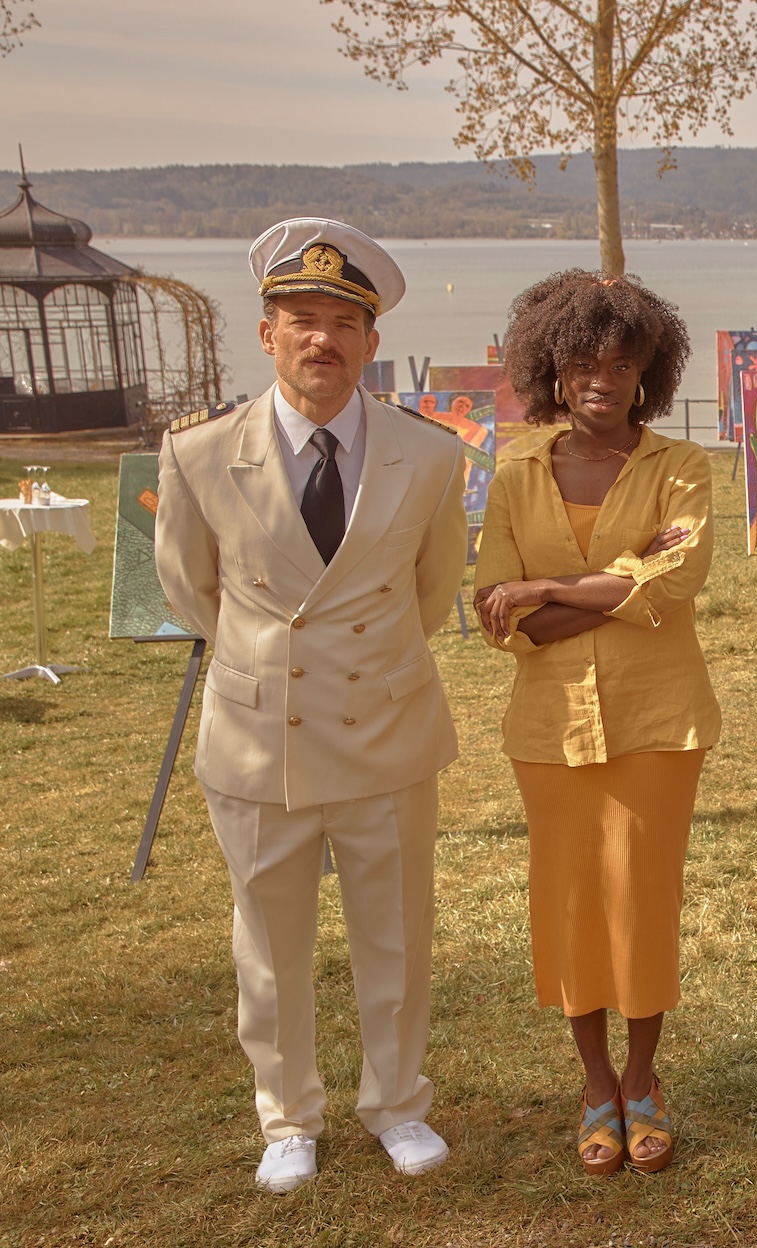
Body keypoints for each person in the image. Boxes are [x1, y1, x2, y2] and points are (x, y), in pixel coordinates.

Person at [156, 219, 468, 1192]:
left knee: (397, 935)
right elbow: (190, 589)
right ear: (267, 334)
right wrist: (269, 658)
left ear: (371, 341)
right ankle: (287, 1116)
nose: (320, 339)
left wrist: (359, 660)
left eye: (341, 322)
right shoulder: (201, 452)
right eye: (300, 319)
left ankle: (398, 1102)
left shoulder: (431, 455)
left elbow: (430, 591)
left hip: (386, 726)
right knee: (270, 945)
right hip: (262, 738)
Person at [474, 271, 720, 1175]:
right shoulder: (515, 477)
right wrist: (619, 582)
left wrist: (543, 586)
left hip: (658, 724)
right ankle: (593, 1084)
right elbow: (500, 618)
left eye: (621, 364)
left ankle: (643, 1080)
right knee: (571, 904)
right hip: (549, 733)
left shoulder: (682, 469)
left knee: (641, 902)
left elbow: (675, 582)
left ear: (648, 370)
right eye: (582, 363)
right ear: (551, 368)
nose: (601, 381)